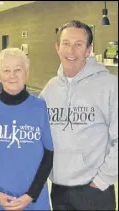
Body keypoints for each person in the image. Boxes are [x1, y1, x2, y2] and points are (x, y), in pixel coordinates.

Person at [39, 20, 118, 210]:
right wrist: (3, 99)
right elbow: (29, 118)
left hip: (94, 191)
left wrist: (102, 180)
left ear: (89, 49)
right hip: (59, 189)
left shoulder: (109, 85)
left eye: (79, 44)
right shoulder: (50, 88)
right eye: (66, 43)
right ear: (57, 47)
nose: (71, 51)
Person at [0, 48, 54, 210]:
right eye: (6, 70)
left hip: (33, 201)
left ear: (26, 73)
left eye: (18, 69)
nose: (12, 75)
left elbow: (49, 154)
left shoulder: (39, 107)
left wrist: (31, 195)